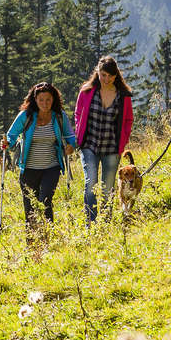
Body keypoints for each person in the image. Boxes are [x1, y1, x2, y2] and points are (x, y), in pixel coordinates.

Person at [5, 81, 77, 227]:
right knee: (30, 206)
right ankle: (32, 243)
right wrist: (7, 143)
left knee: (45, 200)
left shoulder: (59, 116)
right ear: (35, 100)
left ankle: (47, 237)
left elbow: (70, 136)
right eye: (41, 100)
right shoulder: (26, 116)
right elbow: (11, 135)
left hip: (51, 167)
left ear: (53, 100)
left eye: (48, 99)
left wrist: (71, 147)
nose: (45, 103)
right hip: (29, 169)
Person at [73, 55, 135, 223]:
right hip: (89, 145)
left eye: (110, 75)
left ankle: (105, 224)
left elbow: (128, 119)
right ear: (97, 73)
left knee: (108, 188)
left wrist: (122, 141)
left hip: (112, 147)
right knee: (91, 183)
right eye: (103, 75)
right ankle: (90, 223)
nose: (106, 79)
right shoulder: (86, 92)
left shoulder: (123, 95)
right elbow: (78, 114)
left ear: (116, 75)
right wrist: (79, 135)